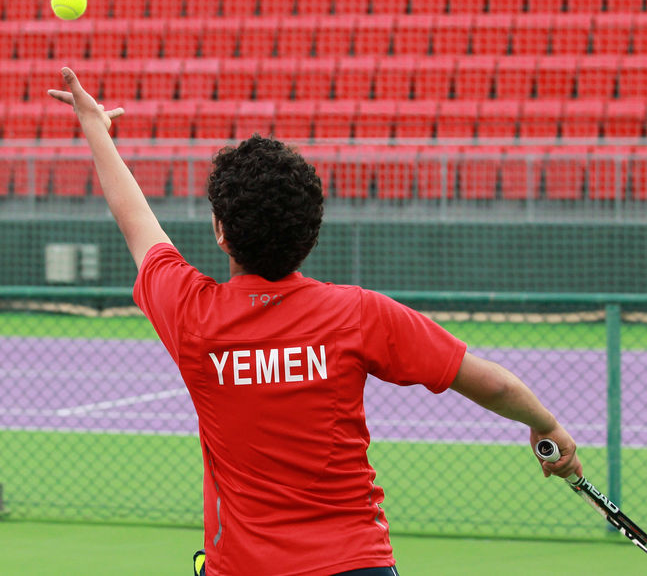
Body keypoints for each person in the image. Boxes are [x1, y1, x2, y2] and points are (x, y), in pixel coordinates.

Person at [48, 67, 582, 576]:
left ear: (221, 231)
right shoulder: (358, 313)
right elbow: (489, 380)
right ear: (311, 232)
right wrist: (547, 425)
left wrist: (95, 128)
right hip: (357, 562)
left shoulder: (191, 314)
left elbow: (137, 224)